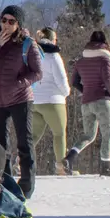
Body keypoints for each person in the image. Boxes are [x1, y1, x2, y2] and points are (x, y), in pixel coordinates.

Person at [0, 5, 43, 197]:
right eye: (3, 20)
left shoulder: (27, 44)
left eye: (11, 21)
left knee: (24, 143)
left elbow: (38, 72)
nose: (6, 24)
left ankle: (26, 187)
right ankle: (4, 185)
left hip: (20, 99)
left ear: (19, 24)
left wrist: (19, 84)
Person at [65, 29, 110, 175]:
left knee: (88, 135)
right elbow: (108, 80)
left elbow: (74, 82)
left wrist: (85, 91)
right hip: (102, 100)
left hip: (86, 102)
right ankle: (105, 167)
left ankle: (70, 157)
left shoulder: (81, 61)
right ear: (104, 43)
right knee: (107, 133)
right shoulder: (104, 60)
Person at [30, 27, 71, 177]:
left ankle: (20, 162)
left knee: (33, 136)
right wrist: (66, 93)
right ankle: (61, 166)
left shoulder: (32, 54)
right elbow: (61, 79)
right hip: (53, 101)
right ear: (53, 39)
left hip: (34, 100)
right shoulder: (53, 56)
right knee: (59, 134)